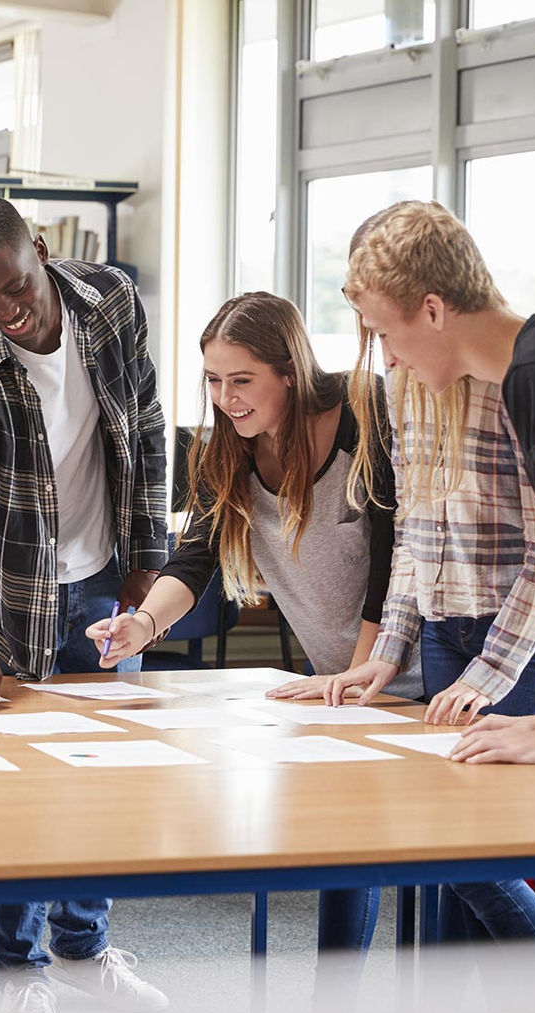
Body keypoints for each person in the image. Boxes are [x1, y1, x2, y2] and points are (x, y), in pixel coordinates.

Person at [88, 291, 422, 968]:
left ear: (289, 372)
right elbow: (197, 554)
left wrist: (359, 675)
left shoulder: (367, 413)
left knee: (467, 871)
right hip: (344, 677)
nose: (226, 398)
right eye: (214, 380)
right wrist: (144, 624)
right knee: (346, 850)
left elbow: (393, 556)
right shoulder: (231, 450)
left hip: (412, 662)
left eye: (242, 380)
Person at [0, 196, 169, 1013]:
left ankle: (84, 948)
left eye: (14, 287)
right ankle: (20, 972)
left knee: (102, 777)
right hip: (12, 589)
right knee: (12, 792)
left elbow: (147, 424)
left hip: (102, 580)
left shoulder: (110, 302)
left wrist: (148, 556)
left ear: (45, 252)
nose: (3, 310)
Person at [326, 202, 535, 950]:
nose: (384, 357)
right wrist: (385, 655)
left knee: (477, 854)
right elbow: (413, 534)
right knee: (448, 861)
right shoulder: (402, 386)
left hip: (514, 636)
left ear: (430, 311)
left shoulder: (516, 383)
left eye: (387, 334)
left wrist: (490, 675)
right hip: (439, 634)